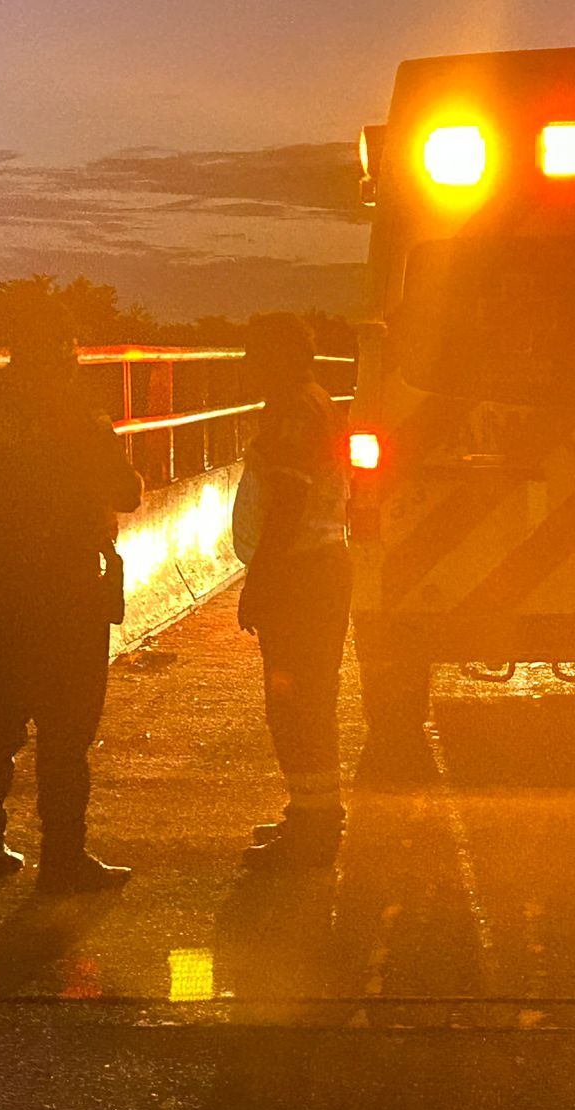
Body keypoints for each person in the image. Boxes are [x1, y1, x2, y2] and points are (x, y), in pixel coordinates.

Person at [0, 309, 142, 890]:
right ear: (63, 357)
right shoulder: (77, 415)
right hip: (67, 587)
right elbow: (126, 492)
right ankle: (63, 859)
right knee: (66, 728)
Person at [234, 313, 353, 871]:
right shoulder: (312, 400)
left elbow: (286, 503)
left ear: (279, 357)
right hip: (314, 570)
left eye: (255, 353)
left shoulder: (293, 410)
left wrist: (259, 583)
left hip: (300, 575)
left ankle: (314, 829)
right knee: (307, 702)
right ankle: (311, 813)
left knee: (296, 704)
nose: (248, 364)